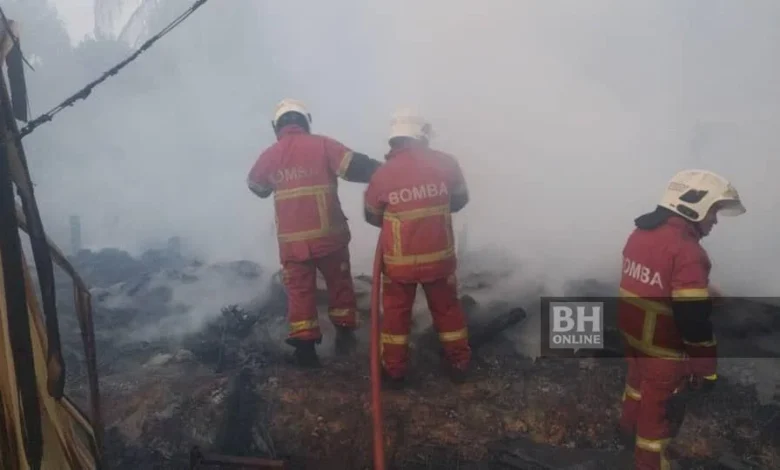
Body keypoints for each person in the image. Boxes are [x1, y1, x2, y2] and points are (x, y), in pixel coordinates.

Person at [617, 169, 746, 469]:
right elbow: (694, 322)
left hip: (634, 339)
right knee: (658, 418)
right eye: (713, 211)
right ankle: (648, 462)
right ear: (693, 205)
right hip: (663, 352)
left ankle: (624, 431)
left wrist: (701, 287)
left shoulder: (640, 234)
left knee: (636, 387)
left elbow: (653, 279)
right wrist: (706, 370)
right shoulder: (688, 251)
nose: (714, 221)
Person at [247, 98, 382, 367]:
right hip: (329, 237)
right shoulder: (322, 144)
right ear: (304, 121)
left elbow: (257, 186)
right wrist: (389, 172)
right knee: (340, 284)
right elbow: (355, 166)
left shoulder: (270, 155)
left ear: (278, 127)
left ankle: (306, 351)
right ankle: (345, 336)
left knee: (299, 292)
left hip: (292, 245)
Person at [363, 108, 471, 388]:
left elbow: (371, 214)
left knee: (396, 319)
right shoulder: (447, 163)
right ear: (422, 136)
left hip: (400, 266)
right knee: (448, 311)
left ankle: (395, 372)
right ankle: (459, 364)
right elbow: (460, 199)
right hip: (440, 260)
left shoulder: (384, 174)